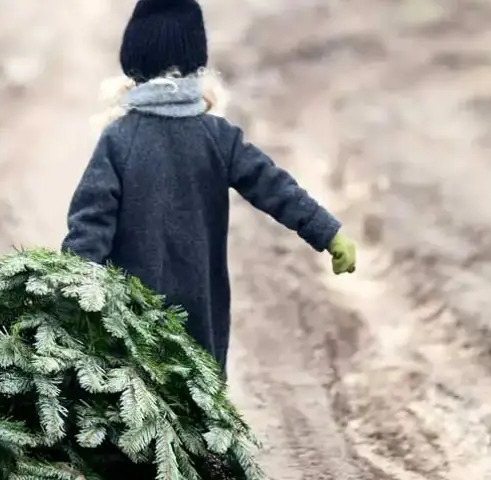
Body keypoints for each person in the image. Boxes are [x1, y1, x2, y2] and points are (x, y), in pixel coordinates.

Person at [60, 0, 356, 375]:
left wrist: (71, 287)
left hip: (131, 317)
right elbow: (275, 187)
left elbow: (90, 223)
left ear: (133, 61)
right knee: (200, 410)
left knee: (134, 407)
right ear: (196, 61)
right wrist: (329, 234)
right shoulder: (217, 137)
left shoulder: (119, 139)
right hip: (202, 315)